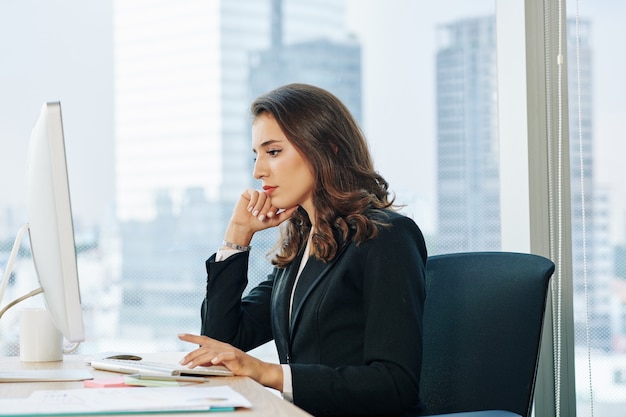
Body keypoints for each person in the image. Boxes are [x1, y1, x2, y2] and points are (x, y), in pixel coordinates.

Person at [178, 83, 427, 416]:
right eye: (257, 155)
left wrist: (269, 373)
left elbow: (395, 384)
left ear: (328, 149)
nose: (258, 171)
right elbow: (223, 341)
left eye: (274, 151)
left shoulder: (385, 236)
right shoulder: (302, 248)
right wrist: (237, 237)